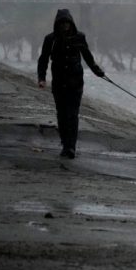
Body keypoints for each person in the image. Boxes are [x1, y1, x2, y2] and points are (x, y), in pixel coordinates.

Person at [37, 8, 105, 158]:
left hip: (76, 82)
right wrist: (41, 78)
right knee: (62, 114)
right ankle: (64, 143)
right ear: (57, 24)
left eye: (67, 23)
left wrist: (97, 71)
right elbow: (43, 59)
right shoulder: (50, 39)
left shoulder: (79, 37)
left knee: (73, 115)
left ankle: (71, 147)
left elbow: (87, 56)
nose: (64, 26)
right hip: (59, 82)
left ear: (71, 23)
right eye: (62, 23)